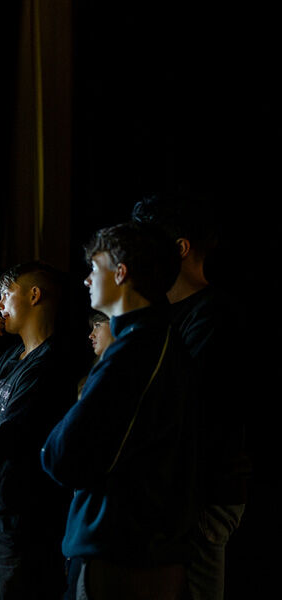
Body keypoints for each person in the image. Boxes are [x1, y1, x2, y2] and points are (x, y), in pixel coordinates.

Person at [41, 222, 196, 600]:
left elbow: (62, 456)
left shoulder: (136, 350)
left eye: (95, 268)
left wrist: (53, 446)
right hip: (132, 547)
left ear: (120, 271)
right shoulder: (156, 341)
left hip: (118, 551)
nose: (86, 280)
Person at [132, 192, 250, 600]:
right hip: (175, 495)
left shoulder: (215, 317)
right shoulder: (163, 315)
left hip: (202, 497)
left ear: (179, 248)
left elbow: (176, 405)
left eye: (146, 243)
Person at [0, 261, 78, 599]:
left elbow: (0, 441)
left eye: (5, 295)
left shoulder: (48, 366)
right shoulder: (12, 356)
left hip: (24, 526)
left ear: (34, 295)